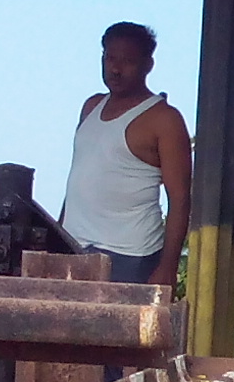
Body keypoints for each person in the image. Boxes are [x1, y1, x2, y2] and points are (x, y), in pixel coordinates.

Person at [62, 21, 189, 286]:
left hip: (131, 255)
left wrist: (167, 267)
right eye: (110, 58)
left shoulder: (164, 119)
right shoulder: (91, 106)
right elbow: (78, 178)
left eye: (127, 61)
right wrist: (58, 234)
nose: (116, 69)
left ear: (148, 65)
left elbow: (180, 200)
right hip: (74, 246)